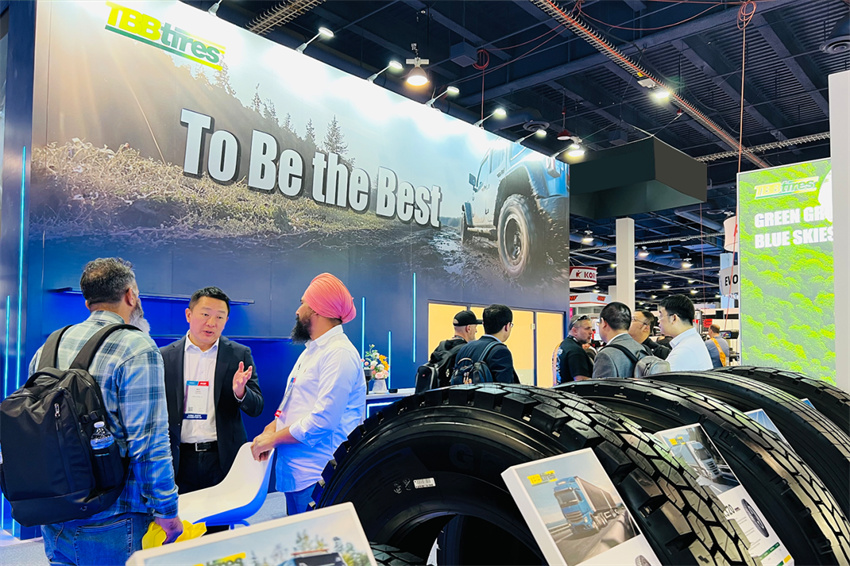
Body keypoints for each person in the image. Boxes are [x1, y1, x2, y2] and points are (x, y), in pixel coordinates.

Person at [30, 258, 181, 565]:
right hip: (114, 516)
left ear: (88, 302)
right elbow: (149, 444)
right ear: (130, 295)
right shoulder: (137, 347)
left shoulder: (49, 346)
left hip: (55, 512)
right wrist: (167, 510)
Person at [251, 273, 366, 515]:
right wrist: (272, 429)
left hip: (318, 476)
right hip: (298, 474)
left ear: (317, 310)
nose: (297, 310)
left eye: (303, 303)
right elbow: (295, 405)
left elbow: (323, 420)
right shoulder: (312, 351)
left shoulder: (339, 354)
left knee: (318, 540)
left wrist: (273, 439)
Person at [161, 287, 264, 509]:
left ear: (226, 321)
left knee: (219, 522)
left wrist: (240, 392)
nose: (211, 323)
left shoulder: (238, 354)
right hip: (179, 458)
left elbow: (257, 407)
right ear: (189, 315)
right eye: (205, 314)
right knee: (182, 522)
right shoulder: (165, 356)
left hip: (221, 457)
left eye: (219, 317)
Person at [453, 304, 520, 383]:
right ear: (507, 326)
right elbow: (505, 387)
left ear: (484, 324)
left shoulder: (465, 348)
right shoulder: (501, 352)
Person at [592, 302, 647, 379]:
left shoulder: (606, 355)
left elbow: (599, 386)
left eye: (599, 323)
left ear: (604, 323)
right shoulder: (641, 348)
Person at [658, 295, 713, 371]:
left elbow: (662, 377)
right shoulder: (691, 341)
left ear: (674, 318)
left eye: (661, 315)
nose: (658, 320)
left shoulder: (683, 351)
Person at [427, 309, 481, 387]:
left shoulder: (442, 345)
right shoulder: (466, 350)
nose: (476, 331)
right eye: (475, 327)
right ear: (468, 328)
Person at [554, 314, 594, 383]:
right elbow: (582, 382)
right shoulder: (576, 351)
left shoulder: (562, 346)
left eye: (591, 328)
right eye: (587, 328)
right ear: (575, 331)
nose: (591, 332)